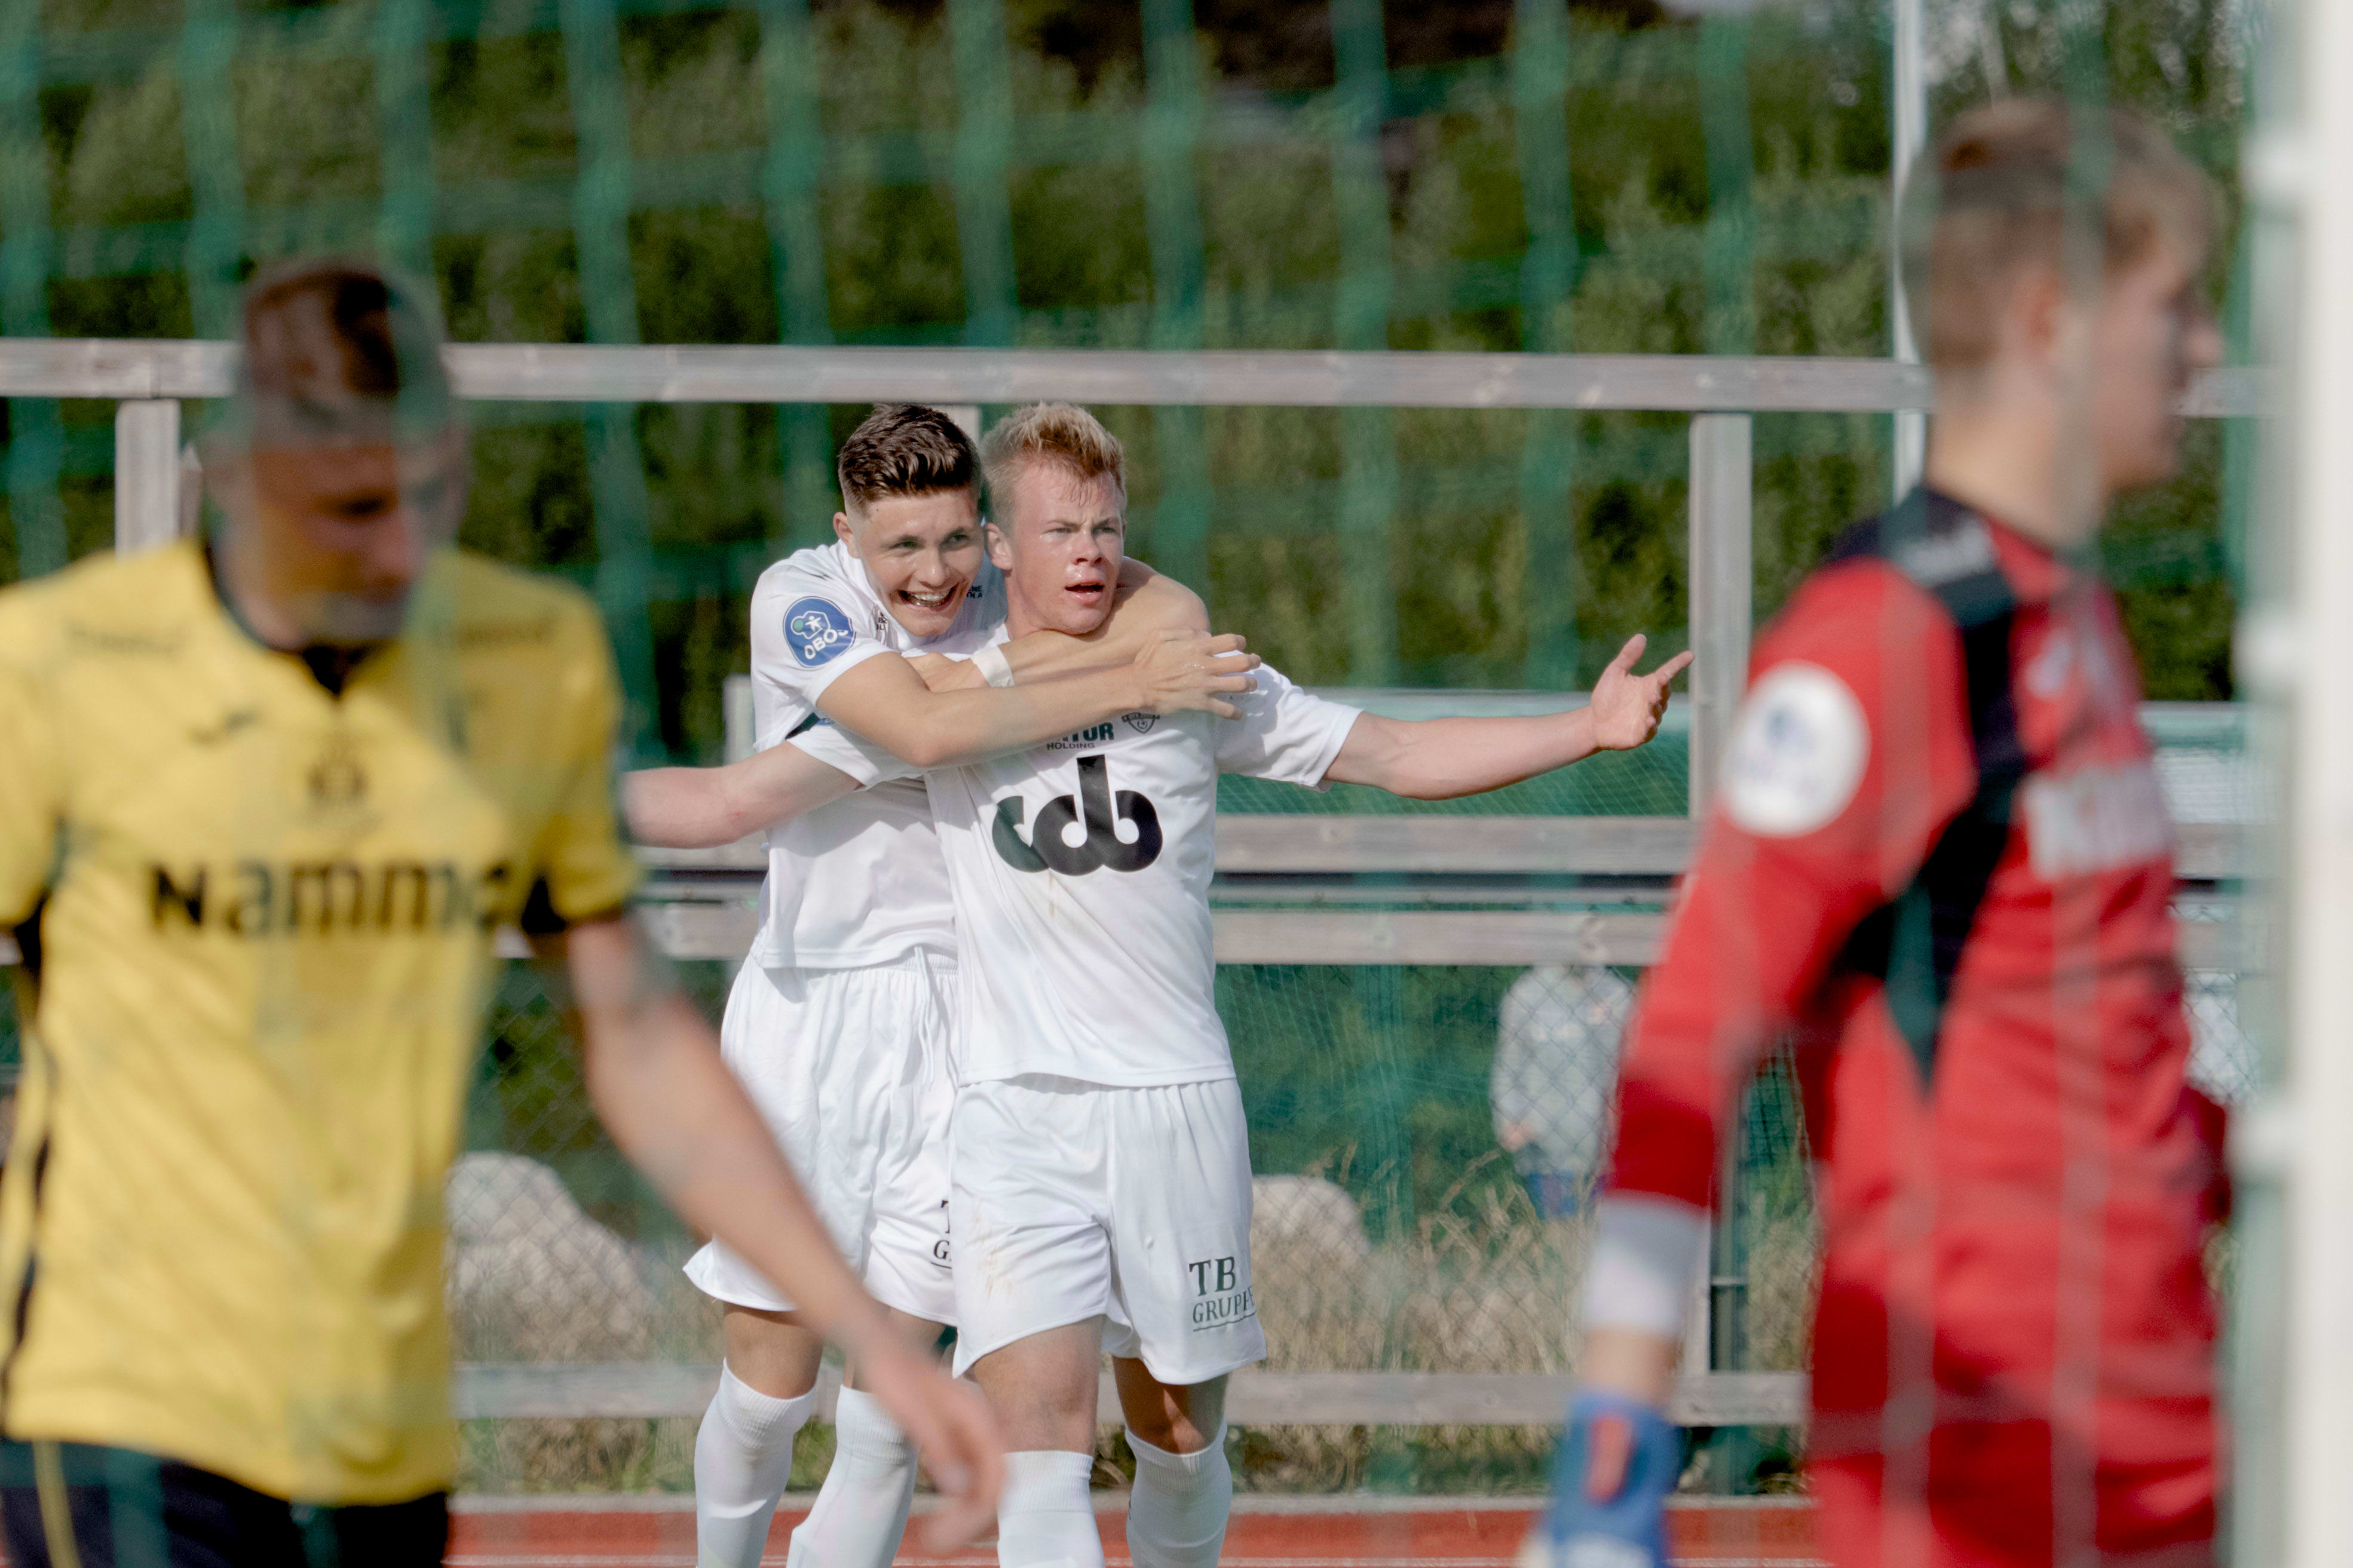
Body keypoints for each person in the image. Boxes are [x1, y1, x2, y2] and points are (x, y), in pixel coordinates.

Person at [0, 260, 1000, 1567]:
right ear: (237, 475)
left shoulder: (521, 662)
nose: (397, 548)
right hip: (117, 1391)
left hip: (377, 1411)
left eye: (429, 496)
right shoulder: (62, 667)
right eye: (352, 507)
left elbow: (636, 1040)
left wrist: (871, 1336)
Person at [680, 401, 1689, 1568]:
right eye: (1059, 530)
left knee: (1175, 1440)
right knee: (1039, 1455)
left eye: (1106, 527)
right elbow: (741, 793)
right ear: (1000, 547)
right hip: (1010, 1111)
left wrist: (1585, 727)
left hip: (1175, 1105)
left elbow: (1396, 751)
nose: (1089, 552)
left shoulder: (1194, 673)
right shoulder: (947, 697)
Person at [1538, 100, 2228, 1568]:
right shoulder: (1881, 637)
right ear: (2048, 319)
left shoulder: (2072, 613)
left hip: (2153, 1434)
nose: (2205, 347)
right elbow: (1688, 1038)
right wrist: (1609, 1448)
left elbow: (2090, 1053)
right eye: (2174, 305)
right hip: (1974, 1452)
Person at [623, 403, 1254, 1568]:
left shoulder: (1008, 608)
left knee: (891, 1394)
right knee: (767, 1387)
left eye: (956, 539)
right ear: (846, 533)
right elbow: (845, 757)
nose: (932, 571)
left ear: (988, 532)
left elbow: (1154, 597)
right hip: (813, 1012)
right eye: (901, 545)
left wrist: (1133, 646)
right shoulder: (805, 598)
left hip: (970, 1022)